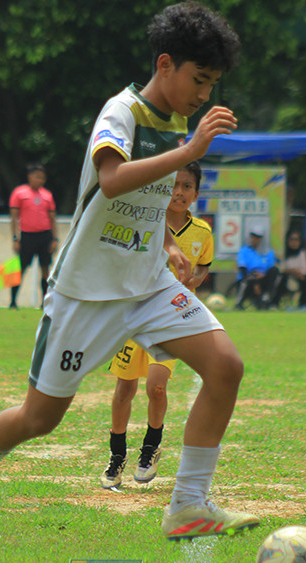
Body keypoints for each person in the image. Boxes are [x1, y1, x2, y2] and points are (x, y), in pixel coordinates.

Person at [0, 2, 256, 543]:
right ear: (166, 63)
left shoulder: (174, 122)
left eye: (213, 85)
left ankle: (188, 504)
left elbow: (143, 202)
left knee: (225, 366)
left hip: (148, 286)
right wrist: (191, 151)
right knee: (40, 418)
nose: (204, 97)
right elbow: (111, 180)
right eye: (200, 80)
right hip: (86, 294)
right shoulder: (121, 112)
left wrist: (166, 244)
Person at [101, 161, 212, 489]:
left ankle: (149, 450)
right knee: (124, 389)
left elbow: (204, 266)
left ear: (196, 193)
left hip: (171, 320)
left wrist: (195, 279)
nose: (179, 192)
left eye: (187, 186)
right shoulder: (145, 223)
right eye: (173, 185)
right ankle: (116, 456)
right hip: (135, 317)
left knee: (156, 387)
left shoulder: (203, 233)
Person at [9, 163, 58, 309]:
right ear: (30, 177)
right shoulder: (19, 193)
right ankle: (12, 302)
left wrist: (55, 239)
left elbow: (52, 219)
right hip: (27, 236)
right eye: (37, 177)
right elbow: (14, 218)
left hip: (44, 236)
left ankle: (44, 302)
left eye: (43, 178)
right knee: (21, 269)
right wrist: (15, 238)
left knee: (45, 269)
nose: (40, 180)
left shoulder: (47, 195)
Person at [233, 225, 278, 310]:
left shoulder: (268, 252)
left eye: (258, 237)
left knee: (275, 271)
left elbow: (270, 268)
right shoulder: (244, 251)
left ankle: (267, 298)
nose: (255, 239)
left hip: (263, 278)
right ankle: (239, 303)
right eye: (253, 237)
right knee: (247, 280)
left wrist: (262, 276)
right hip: (249, 277)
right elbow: (243, 268)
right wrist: (255, 279)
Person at [268, 230, 306, 310]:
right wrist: (292, 271)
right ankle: (274, 304)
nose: (294, 242)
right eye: (292, 240)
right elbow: (281, 268)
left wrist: (297, 273)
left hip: (298, 277)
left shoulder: (302, 253)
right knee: (283, 278)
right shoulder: (284, 253)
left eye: (296, 240)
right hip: (286, 278)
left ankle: (304, 304)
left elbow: (305, 269)